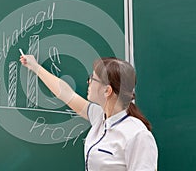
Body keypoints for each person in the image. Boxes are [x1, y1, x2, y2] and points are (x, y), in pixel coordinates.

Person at [20, 55, 158, 171]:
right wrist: (35, 67)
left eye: (94, 78)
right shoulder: (100, 117)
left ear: (107, 91)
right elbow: (66, 94)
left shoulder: (137, 135)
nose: (89, 81)